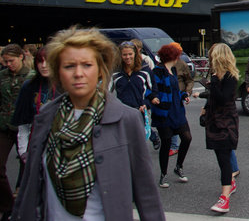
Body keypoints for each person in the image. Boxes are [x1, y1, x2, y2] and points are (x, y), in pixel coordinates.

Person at [12, 26, 165, 220]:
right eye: (69, 66)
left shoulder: (126, 119)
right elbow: (29, 187)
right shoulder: (46, 117)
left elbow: (147, 193)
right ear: (58, 72)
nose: (78, 73)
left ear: (101, 70)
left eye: (87, 65)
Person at [197, 44, 240, 214]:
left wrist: (213, 82)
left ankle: (225, 198)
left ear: (220, 57)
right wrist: (205, 108)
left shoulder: (230, 77)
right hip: (214, 121)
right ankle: (230, 181)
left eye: (213, 56)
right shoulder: (217, 76)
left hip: (226, 123)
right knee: (221, 155)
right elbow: (214, 97)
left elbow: (222, 98)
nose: (210, 59)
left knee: (223, 158)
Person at [11, 47, 59, 197]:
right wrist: (23, 151)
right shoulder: (29, 87)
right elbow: (23, 123)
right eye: (40, 61)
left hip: (61, 147)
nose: (44, 65)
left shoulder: (66, 84)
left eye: (47, 61)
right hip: (36, 144)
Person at [150, 43, 192, 188]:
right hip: (164, 111)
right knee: (166, 143)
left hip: (177, 110)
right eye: (177, 55)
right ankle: (163, 174)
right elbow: (150, 90)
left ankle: (178, 166)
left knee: (187, 138)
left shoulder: (173, 69)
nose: (179, 57)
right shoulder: (157, 71)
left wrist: (183, 95)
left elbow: (175, 90)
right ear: (172, 56)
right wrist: (153, 98)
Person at [0, 44, 33, 219]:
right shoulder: (2, 77)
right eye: (5, 61)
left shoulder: (31, 77)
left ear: (21, 57)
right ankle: (7, 206)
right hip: (4, 125)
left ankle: (25, 207)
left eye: (11, 61)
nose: (8, 64)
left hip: (25, 126)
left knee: (27, 171)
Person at [109, 41, 154, 142]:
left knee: (138, 146)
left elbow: (154, 92)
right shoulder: (115, 73)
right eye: (124, 54)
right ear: (120, 55)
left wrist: (146, 104)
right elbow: (106, 93)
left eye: (130, 54)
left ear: (135, 54)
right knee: (124, 145)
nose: (127, 57)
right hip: (121, 114)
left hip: (139, 113)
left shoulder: (144, 71)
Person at [130, 38, 161, 151]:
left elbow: (151, 80)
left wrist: (151, 97)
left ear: (138, 49)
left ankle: (153, 137)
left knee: (141, 122)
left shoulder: (146, 61)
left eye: (133, 48)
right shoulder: (126, 62)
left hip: (143, 97)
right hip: (130, 97)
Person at [168, 42, 193, 157]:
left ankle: (174, 145)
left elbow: (189, 80)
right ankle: (170, 143)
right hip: (167, 96)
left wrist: (187, 93)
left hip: (179, 96)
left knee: (176, 118)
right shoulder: (163, 64)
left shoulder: (182, 64)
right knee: (168, 119)